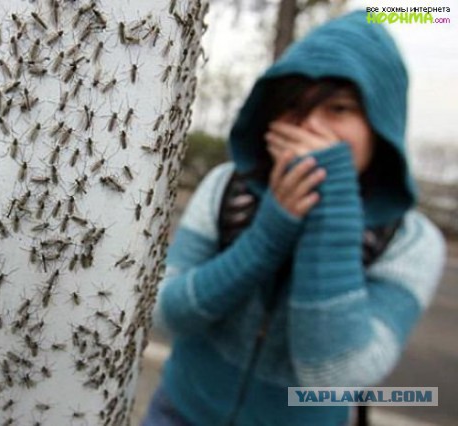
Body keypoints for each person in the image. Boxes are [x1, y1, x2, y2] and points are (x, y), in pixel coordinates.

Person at [142, 10, 447, 426]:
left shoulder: (411, 241)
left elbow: (335, 373)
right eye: (293, 109)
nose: (312, 128)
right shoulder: (226, 187)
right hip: (180, 412)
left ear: (380, 124)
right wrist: (269, 232)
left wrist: (331, 206)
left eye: (339, 109)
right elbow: (167, 314)